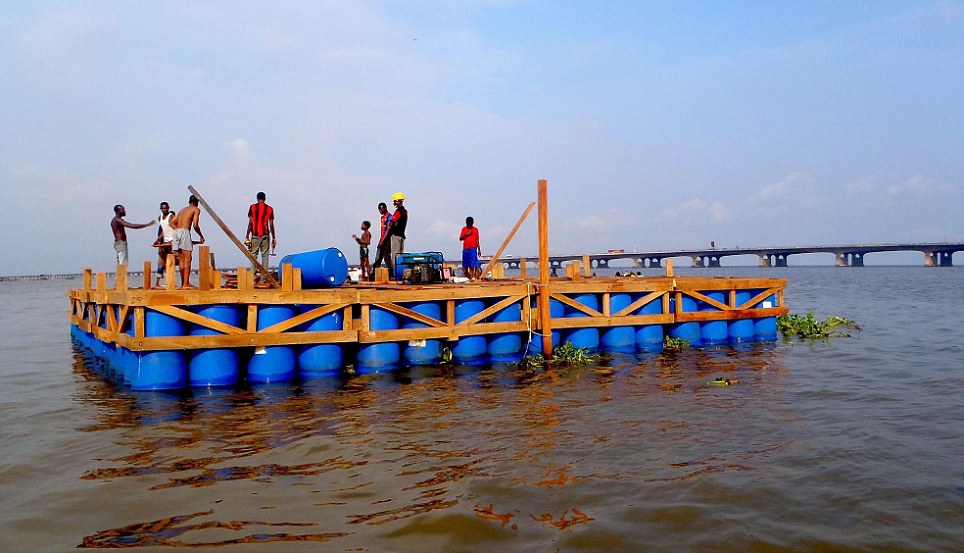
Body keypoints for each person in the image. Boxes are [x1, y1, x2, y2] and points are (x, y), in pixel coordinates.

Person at [170, 194, 204, 289]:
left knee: (181, 259)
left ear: (189, 202)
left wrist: (178, 231)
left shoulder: (182, 210)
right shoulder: (196, 209)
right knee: (188, 258)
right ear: (197, 203)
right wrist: (201, 236)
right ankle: (186, 284)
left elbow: (172, 222)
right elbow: (195, 225)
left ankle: (183, 284)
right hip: (184, 231)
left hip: (176, 232)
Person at [245, 192, 276, 283]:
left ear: (257, 198)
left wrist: (247, 235)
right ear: (265, 198)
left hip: (254, 234)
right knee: (265, 256)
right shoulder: (270, 209)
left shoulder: (253, 207)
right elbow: (271, 225)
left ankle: (252, 278)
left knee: (253, 255)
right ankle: (263, 279)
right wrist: (274, 238)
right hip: (265, 234)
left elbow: (251, 222)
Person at [385, 192, 408, 278]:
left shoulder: (398, 212)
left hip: (396, 235)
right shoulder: (405, 211)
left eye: (395, 201)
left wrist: (386, 236)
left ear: (398, 201)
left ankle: (396, 274)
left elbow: (391, 224)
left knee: (395, 255)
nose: (394, 203)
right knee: (400, 255)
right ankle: (400, 273)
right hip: (402, 235)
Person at [153, 201, 175, 287]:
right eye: (163, 208)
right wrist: (159, 240)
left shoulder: (171, 216)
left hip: (172, 241)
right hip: (164, 242)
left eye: (166, 208)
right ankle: (158, 283)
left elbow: (175, 227)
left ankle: (171, 282)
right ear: (160, 209)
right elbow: (162, 230)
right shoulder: (160, 217)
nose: (165, 209)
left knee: (172, 261)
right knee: (161, 261)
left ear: (168, 208)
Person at [369, 202, 392, 280]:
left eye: (382, 208)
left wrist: (384, 241)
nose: (381, 210)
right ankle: (374, 274)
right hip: (382, 239)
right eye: (379, 209)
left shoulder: (389, 217)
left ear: (385, 208)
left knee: (387, 258)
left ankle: (391, 273)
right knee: (378, 257)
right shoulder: (382, 218)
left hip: (387, 240)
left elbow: (389, 230)